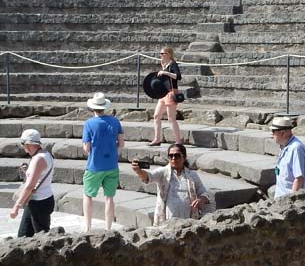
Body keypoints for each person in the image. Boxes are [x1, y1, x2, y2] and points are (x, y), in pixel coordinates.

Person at [131, 144, 211, 224]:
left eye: (177, 155)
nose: (173, 158)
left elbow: (204, 193)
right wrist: (139, 171)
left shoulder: (192, 175)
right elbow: (148, 177)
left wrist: (201, 199)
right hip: (167, 219)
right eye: (171, 156)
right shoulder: (163, 172)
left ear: (184, 157)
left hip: (188, 219)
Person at [82, 92, 123, 233]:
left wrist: (90, 152)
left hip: (94, 166)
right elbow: (121, 144)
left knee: (88, 195)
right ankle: (108, 227)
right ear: (104, 107)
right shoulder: (115, 122)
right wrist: (113, 154)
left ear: (92, 108)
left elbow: (87, 147)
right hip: (112, 165)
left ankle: (88, 227)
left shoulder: (89, 124)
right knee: (109, 197)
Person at [10, 129, 55, 238]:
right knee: (23, 236)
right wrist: (27, 172)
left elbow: (30, 186)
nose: (24, 149)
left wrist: (16, 206)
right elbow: (40, 176)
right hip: (38, 200)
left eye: (23, 145)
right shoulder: (46, 154)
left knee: (42, 239)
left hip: (39, 203)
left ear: (29, 144)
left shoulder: (38, 159)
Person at [270, 116, 305, 198]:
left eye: (273, 131)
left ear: (282, 133)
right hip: (281, 197)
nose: (272, 134)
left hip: (291, 200)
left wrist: (291, 202)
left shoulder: (296, 148)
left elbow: (299, 179)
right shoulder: (284, 146)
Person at [150, 46, 183, 146]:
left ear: (168, 54)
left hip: (171, 92)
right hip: (163, 93)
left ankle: (178, 141)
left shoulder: (173, 64)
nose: (160, 55)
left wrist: (165, 72)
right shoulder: (164, 64)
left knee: (171, 118)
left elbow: (178, 76)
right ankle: (157, 139)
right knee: (156, 115)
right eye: (160, 53)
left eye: (162, 53)